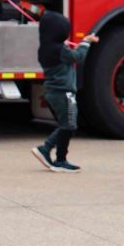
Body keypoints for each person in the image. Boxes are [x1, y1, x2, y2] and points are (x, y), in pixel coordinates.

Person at [31, 12, 97, 172]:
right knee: (68, 125)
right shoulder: (59, 50)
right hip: (64, 93)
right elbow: (78, 57)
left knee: (66, 125)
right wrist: (86, 42)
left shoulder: (45, 49)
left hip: (53, 93)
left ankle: (61, 159)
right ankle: (45, 149)